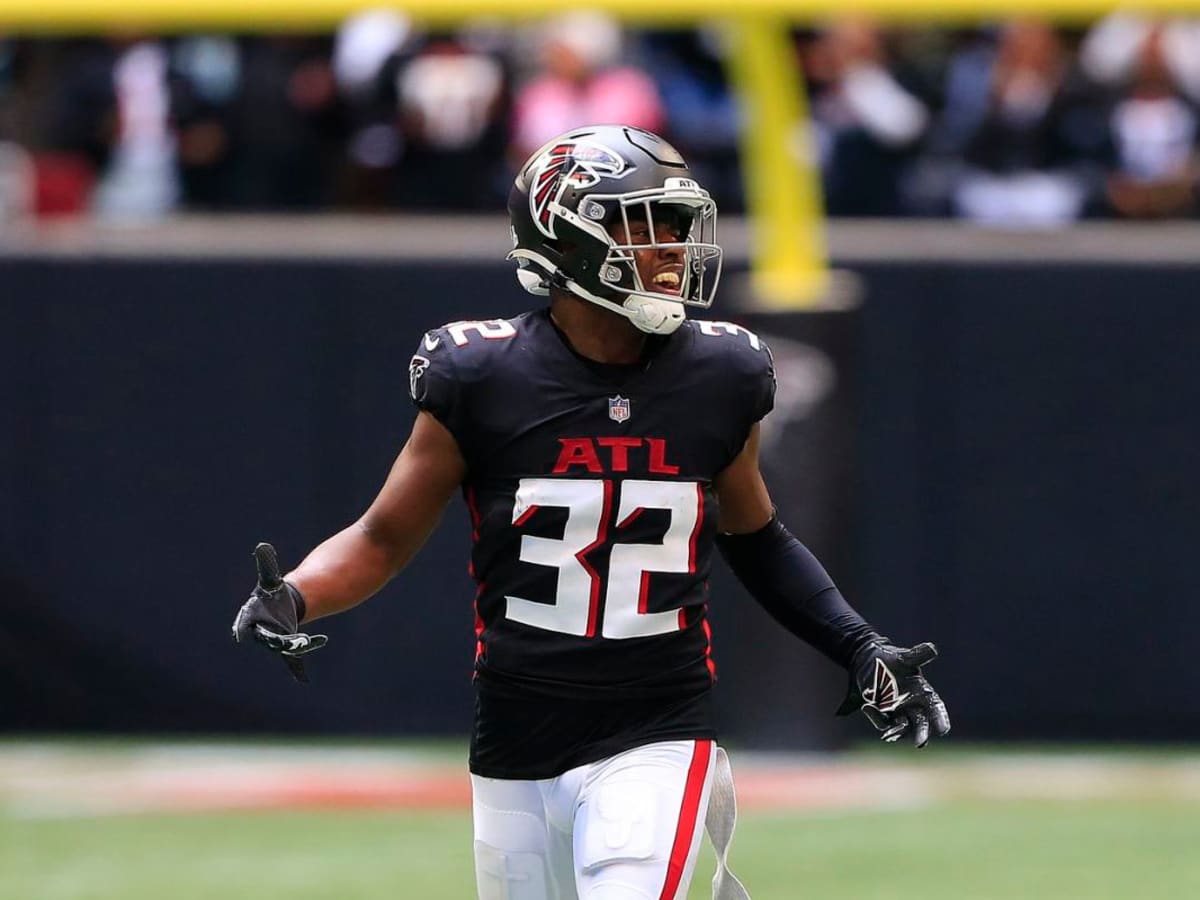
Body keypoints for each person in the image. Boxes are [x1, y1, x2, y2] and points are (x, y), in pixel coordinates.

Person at [232, 124, 950, 900]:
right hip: (514, 735)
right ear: (566, 239)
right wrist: (297, 593)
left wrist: (858, 644)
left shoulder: (722, 373)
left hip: (657, 729)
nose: (674, 249)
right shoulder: (480, 374)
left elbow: (758, 537)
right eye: (646, 227)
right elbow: (383, 534)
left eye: (678, 227)